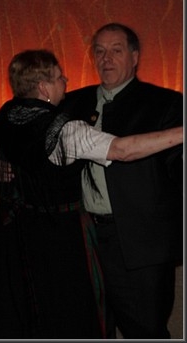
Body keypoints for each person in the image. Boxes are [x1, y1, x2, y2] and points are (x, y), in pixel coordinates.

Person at [0, 49, 182, 338]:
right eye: (59, 77)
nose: (66, 81)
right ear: (44, 87)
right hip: (57, 242)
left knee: (20, 316)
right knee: (66, 317)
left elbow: (0, 168)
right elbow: (123, 150)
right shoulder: (64, 130)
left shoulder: (8, 113)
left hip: (12, 238)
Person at [62, 23, 183, 339]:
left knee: (145, 330)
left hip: (139, 244)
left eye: (116, 50)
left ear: (135, 57)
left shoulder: (165, 103)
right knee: (86, 327)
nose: (107, 59)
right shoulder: (73, 103)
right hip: (82, 236)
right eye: (100, 51)